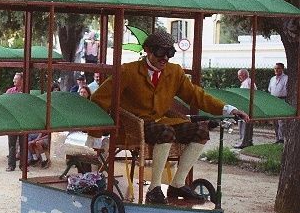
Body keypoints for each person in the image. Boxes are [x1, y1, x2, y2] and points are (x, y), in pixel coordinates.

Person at [91, 30, 249, 204]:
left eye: (170, 53)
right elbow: (100, 98)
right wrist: (96, 134)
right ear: (148, 50)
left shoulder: (175, 72)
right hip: (134, 126)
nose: (165, 58)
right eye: (160, 52)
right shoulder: (128, 71)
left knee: (201, 131)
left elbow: (196, 95)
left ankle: (177, 184)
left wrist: (229, 110)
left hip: (162, 122)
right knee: (165, 132)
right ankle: (154, 188)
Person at [6, 72, 26, 172]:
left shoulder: (26, 92)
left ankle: (23, 165)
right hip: (12, 121)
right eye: (14, 78)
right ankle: (11, 165)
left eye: (16, 79)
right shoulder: (10, 91)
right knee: (12, 144)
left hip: (23, 121)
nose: (14, 80)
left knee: (23, 144)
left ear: (22, 80)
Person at [268, 62, 288, 143]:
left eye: (278, 68)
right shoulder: (272, 79)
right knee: (274, 120)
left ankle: (281, 138)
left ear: (282, 69)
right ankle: (277, 138)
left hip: (282, 100)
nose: (276, 70)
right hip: (273, 101)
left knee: (281, 121)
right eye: (275, 68)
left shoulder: (286, 78)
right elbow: (270, 90)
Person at [234, 68, 254, 149]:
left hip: (246, 106)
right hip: (247, 105)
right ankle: (248, 141)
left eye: (240, 75)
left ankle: (244, 142)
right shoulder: (247, 82)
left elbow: (245, 95)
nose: (238, 77)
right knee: (246, 123)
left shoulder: (247, 82)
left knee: (244, 123)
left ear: (244, 75)